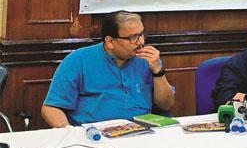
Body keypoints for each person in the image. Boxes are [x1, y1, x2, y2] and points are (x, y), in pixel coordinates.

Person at [42, 11, 175, 127]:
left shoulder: (148, 60)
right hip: (96, 135)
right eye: (133, 37)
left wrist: (158, 71)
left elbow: (166, 105)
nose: (141, 42)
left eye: (141, 34)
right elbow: (51, 108)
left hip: (142, 131)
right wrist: (70, 133)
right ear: (110, 42)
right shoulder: (78, 60)